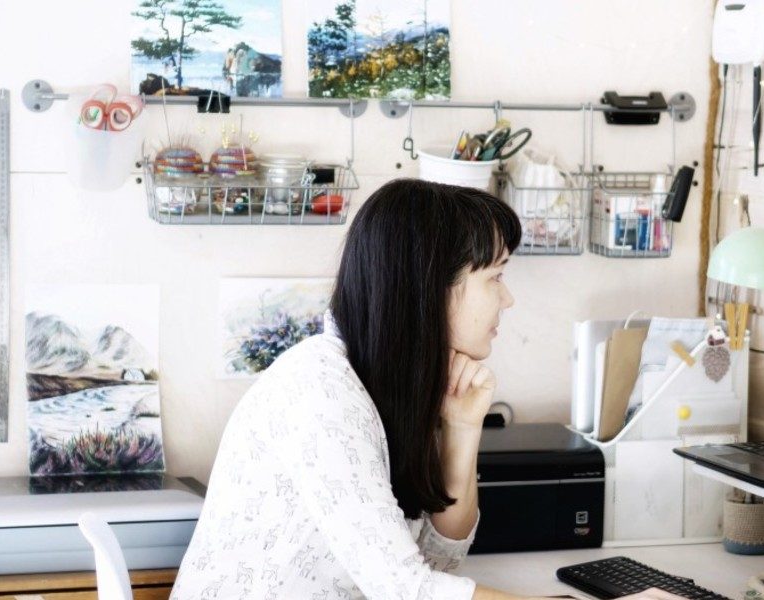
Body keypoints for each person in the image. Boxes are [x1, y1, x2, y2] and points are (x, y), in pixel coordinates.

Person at [172, 179, 555, 599]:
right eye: (496, 276)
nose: (509, 299)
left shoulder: (387, 383)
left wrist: (463, 428)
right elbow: (408, 590)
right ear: (430, 287)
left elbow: (436, 561)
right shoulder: (321, 393)